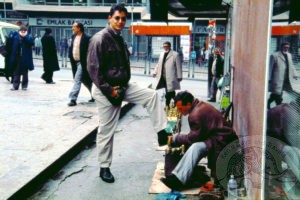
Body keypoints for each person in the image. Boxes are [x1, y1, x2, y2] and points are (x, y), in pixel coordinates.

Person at [87, 3, 169, 184]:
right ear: (109, 18)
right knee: (106, 131)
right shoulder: (99, 39)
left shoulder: (119, 38)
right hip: (105, 90)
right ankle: (104, 167)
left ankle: (162, 132)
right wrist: (110, 90)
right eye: (117, 18)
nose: (121, 22)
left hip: (123, 86)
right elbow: (94, 71)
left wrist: (123, 86)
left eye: (123, 19)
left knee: (152, 95)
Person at [160, 91, 238, 190]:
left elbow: (192, 139)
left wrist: (176, 138)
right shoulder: (199, 105)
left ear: (188, 104)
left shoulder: (195, 114)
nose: (179, 111)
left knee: (195, 147)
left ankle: (179, 180)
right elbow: (196, 135)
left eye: (180, 108)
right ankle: (179, 176)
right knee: (195, 146)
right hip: (219, 137)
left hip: (221, 140)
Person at [68, 21, 93, 106]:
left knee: (77, 79)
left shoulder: (87, 37)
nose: (72, 28)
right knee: (86, 81)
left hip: (83, 63)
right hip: (75, 62)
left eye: (74, 27)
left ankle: (73, 99)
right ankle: (94, 95)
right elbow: (72, 48)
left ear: (79, 28)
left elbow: (91, 51)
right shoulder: (73, 36)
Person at [267, 42, 298, 109]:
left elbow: (291, 65)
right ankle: (279, 106)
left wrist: (295, 74)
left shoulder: (289, 55)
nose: (286, 49)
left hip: (286, 78)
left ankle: (269, 102)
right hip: (277, 78)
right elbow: (270, 68)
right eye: (285, 47)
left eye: (287, 47)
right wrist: (269, 78)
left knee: (277, 92)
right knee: (278, 93)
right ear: (281, 47)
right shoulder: (274, 55)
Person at [153, 41, 182, 108]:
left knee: (170, 91)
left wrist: (179, 76)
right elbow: (158, 64)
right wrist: (155, 72)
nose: (165, 48)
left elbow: (178, 66)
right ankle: (171, 104)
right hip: (162, 76)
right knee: (168, 91)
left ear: (169, 46)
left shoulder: (175, 54)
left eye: (166, 46)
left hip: (171, 76)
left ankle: (169, 104)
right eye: (164, 46)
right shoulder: (162, 54)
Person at [8, 25, 34, 91]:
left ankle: (24, 86)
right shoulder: (16, 37)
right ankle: (15, 86)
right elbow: (11, 45)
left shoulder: (29, 37)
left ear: (26, 31)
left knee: (25, 73)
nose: (23, 32)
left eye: (24, 31)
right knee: (16, 73)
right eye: (21, 31)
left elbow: (31, 43)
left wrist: (25, 38)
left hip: (25, 58)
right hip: (17, 58)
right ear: (19, 31)